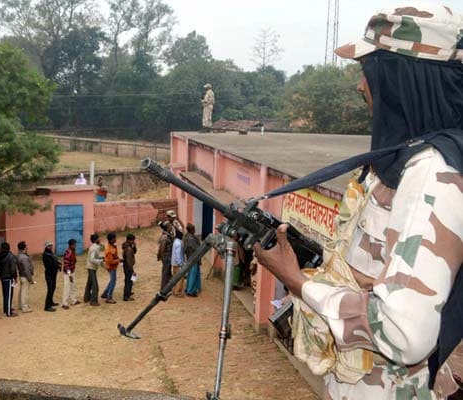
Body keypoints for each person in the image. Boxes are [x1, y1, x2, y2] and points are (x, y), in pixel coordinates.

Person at [254, 3, 463, 399]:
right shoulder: (415, 158)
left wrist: (298, 282)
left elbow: (405, 334)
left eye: (368, 71)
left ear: (397, 78)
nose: (360, 85)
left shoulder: (432, 174)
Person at [0, 242, 18, 317]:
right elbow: (13, 269)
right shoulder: (10, 256)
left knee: (5, 294)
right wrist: (15, 277)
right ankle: (9, 313)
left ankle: (6, 308)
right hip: (8, 278)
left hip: (2, 277)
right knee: (9, 295)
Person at [84, 233, 104, 306]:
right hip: (91, 268)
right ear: (96, 240)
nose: (100, 239)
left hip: (92, 268)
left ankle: (86, 298)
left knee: (89, 283)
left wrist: (101, 260)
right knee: (95, 285)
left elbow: (96, 257)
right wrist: (100, 261)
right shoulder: (94, 248)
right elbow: (92, 259)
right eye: (98, 238)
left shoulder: (96, 247)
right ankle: (93, 301)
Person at [183, 223, 202, 297]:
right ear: (191, 230)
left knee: (191, 274)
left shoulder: (187, 236)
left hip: (191, 258)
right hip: (193, 259)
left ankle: (189, 288)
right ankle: (190, 291)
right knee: (192, 275)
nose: (195, 230)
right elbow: (198, 249)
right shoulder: (191, 239)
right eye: (194, 229)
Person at [42, 241, 61, 312]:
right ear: (46, 247)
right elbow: (50, 265)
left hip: (53, 273)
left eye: (51, 245)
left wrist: (58, 262)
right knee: (50, 289)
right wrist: (57, 265)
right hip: (49, 274)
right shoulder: (45, 255)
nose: (50, 247)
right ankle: (47, 306)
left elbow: (55, 260)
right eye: (49, 246)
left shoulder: (51, 253)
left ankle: (51, 302)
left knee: (53, 287)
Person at [16, 241, 35, 313]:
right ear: (24, 248)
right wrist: (30, 279)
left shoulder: (19, 255)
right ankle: (24, 307)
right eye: (26, 246)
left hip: (22, 275)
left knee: (21, 291)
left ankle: (21, 305)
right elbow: (26, 269)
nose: (27, 247)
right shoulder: (24, 257)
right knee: (24, 292)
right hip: (25, 277)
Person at [101, 233, 120, 304]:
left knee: (112, 280)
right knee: (113, 281)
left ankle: (105, 293)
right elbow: (110, 261)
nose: (116, 239)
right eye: (114, 238)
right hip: (111, 267)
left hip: (112, 266)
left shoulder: (112, 246)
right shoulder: (109, 250)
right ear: (111, 240)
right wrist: (119, 260)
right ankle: (109, 297)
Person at [61, 238, 80, 309]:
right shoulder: (68, 252)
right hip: (68, 273)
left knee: (73, 286)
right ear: (71, 245)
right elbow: (66, 264)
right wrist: (69, 275)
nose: (75, 246)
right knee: (67, 288)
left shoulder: (72, 251)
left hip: (72, 271)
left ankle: (73, 300)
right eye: (74, 244)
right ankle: (64, 303)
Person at [157, 221, 174, 291]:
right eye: (170, 226)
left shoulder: (167, 235)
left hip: (168, 257)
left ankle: (169, 286)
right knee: (165, 273)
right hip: (166, 257)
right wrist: (161, 256)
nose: (171, 227)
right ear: (167, 228)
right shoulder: (165, 237)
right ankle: (163, 289)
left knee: (168, 272)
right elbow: (162, 248)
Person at [121, 234, 137, 301]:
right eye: (133, 240)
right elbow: (129, 260)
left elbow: (135, 252)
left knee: (129, 280)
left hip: (127, 265)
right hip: (128, 266)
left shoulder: (128, 246)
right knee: (129, 280)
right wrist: (132, 270)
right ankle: (126, 296)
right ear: (129, 240)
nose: (134, 241)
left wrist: (134, 246)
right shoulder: (128, 249)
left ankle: (128, 292)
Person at [170, 230, 185, 297]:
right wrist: (180, 264)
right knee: (180, 278)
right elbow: (178, 255)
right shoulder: (179, 244)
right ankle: (178, 292)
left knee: (175, 277)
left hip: (174, 263)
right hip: (177, 263)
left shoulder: (175, 241)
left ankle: (174, 290)